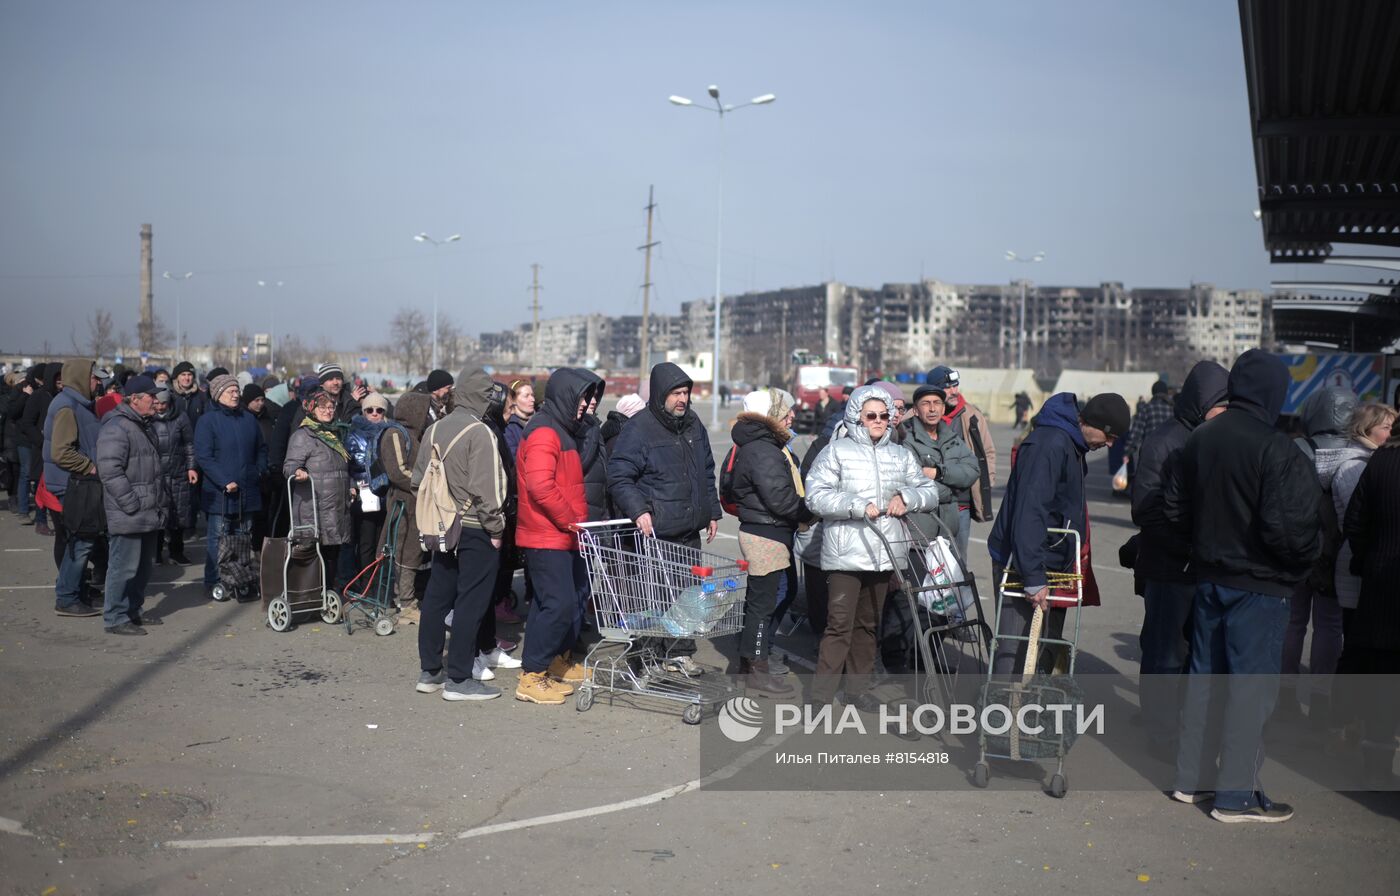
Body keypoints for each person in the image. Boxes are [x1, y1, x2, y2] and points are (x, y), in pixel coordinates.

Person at [1165, 349, 1321, 822]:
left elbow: (1175, 510)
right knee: (1250, 693)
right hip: (1260, 586)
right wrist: (1302, 563)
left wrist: (1203, 546)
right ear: (1275, 392)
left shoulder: (1201, 438)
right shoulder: (1278, 448)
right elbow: (1289, 531)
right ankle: (1236, 796)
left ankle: (1191, 780)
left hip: (1211, 578)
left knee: (1204, 685)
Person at [805, 384, 942, 708]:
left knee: (868, 626)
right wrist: (855, 505)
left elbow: (930, 491)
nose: (879, 421)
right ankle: (820, 697)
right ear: (857, 417)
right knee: (839, 625)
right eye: (871, 416)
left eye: (884, 415)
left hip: (884, 554)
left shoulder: (900, 454)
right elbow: (815, 495)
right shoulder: (837, 451)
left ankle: (857, 690)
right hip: (845, 554)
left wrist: (906, 497)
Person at [987, 391, 1129, 676]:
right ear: (1092, 423)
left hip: (1049, 560)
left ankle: (1029, 700)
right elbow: (1030, 511)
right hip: (1023, 562)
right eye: (1109, 436)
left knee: (1040, 649)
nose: (1110, 444)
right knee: (1016, 651)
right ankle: (1002, 702)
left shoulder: (1071, 443)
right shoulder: (1050, 444)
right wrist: (1033, 577)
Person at [1130, 360, 1229, 760]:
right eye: (1221, 405)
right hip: (1168, 569)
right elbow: (1145, 509)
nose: (1226, 413)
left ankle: (1179, 726)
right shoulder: (1164, 442)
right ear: (1202, 403)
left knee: (1193, 656)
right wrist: (1188, 548)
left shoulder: (1215, 438)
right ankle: (1161, 734)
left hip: (1200, 568)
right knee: (1164, 655)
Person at [607, 362, 723, 674]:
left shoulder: (693, 424)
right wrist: (639, 510)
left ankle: (680, 653)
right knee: (654, 598)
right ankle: (646, 656)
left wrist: (711, 511)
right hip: (657, 531)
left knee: (688, 597)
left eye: (685, 393)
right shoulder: (639, 428)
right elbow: (619, 475)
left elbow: (706, 471)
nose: (682, 399)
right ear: (661, 395)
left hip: (689, 529)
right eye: (676, 393)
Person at [411, 367, 508, 702]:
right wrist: (496, 528)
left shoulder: (434, 428)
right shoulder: (480, 432)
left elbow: (418, 481)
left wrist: (443, 508)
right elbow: (487, 489)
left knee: (437, 596)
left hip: (442, 525)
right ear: (482, 397)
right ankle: (460, 678)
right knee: (471, 602)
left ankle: (430, 672)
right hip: (475, 527)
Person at [880, 382, 981, 673]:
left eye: (937, 403)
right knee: (907, 599)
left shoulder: (951, 438)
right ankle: (894, 659)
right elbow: (909, 483)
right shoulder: (906, 439)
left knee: (942, 600)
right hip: (915, 534)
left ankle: (925, 659)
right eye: (926, 403)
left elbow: (971, 471)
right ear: (916, 409)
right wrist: (951, 488)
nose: (933, 408)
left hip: (944, 535)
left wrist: (938, 472)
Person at [721, 388, 811, 697]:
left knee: (769, 600)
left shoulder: (762, 445)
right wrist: (810, 512)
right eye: (786, 411)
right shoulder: (763, 449)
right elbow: (780, 498)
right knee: (763, 606)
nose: (792, 416)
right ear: (772, 415)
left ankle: (749, 667)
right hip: (766, 534)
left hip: (767, 531)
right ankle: (756, 672)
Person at [514, 368, 595, 705]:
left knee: (557, 602)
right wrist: (571, 520)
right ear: (565, 396)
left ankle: (554, 662)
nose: (585, 405)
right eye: (581, 398)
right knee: (558, 605)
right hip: (547, 534)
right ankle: (532, 675)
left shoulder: (560, 429)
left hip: (561, 534)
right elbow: (540, 486)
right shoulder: (545, 431)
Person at [1280, 385, 1357, 724]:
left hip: (1296, 550)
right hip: (1336, 556)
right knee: (1329, 627)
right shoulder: (1357, 455)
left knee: (1293, 622)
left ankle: (1285, 695)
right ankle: (1321, 701)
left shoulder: (1294, 448)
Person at [1327, 402, 1396, 750]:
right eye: (1385, 426)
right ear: (1366, 429)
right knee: (1359, 650)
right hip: (1362, 569)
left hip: (1369, 568)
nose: (1390, 431)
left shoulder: (1376, 461)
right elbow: (1356, 521)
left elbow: (1358, 520)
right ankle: (1347, 722)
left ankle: (1362, 727)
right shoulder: (1358, 464)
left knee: (1365, 651)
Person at [1340, 422, 1400, 787]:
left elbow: (1355, 521)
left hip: (1380, 586)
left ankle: (1376, 766)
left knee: (1382, 685)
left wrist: (1367, 560)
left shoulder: (1380, 461)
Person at [95, 375, 169, 635]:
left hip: (147, 510)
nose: (156, 400)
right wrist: (131, 503)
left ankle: (133, 610)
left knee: (143, 567)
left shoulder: (143, 425)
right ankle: (115, 617)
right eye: (151, 396)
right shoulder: (117, 427)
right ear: (134, 399)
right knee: (123, 567)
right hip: (130, 512)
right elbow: (109, 471)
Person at [195, 373, 267, 600]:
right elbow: (204, 457)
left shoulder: (248, 419)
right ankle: (214, 580)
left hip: (247, 490)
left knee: (244, 537)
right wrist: (224, 481)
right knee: (219, 538)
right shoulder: (208, 421)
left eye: (237, 391)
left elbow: (261, 448)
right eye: (230, 391)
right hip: (220, 494)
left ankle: (240, 579)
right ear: (218, 395)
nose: (236, 395)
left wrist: (259, 470)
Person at [45, 358, 105, 617]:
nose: (98, 382)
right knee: (80, 542)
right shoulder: (67, 406)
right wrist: (90, 467)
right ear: (81, 377)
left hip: (77, 483)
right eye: (94, 377)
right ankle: (67, 597)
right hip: (73, 484)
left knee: (80, 541)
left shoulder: (76, 403)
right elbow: (61, 452)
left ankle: (74, 592)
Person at [284, 386, 353, 589]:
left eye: (330, 407)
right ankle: (314, 594)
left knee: (332, 554)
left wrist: (351, 486)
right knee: (317, 554)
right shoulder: (303, 435)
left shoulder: (335, 434)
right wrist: (298, 471)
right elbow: (288, 466)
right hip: (314, 507)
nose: (327, 411)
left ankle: (328, 592)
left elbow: (343, 468)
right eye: (322, 407)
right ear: (312, 409)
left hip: (336, 506)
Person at [927, 365, 997, 551]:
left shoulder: (972, 415)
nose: (954, 391)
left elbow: (988, 452)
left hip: (961, 505)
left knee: (958, 560)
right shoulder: (915, 416)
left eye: (955, 385)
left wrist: (985, 482)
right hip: (928, 505)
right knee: (926, 560)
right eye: (947, 387)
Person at [378, 390, 433, 625]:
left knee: (413, 552)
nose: (427, 415)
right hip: (404, 504)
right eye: (424, 411)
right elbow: (398, 472)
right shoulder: (395, 433)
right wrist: (426, 484)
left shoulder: (416, 435)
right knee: (404, 552)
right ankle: (406, 603)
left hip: (417, 503)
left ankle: (407, 599)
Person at [346, 392, 397, 573]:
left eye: (379, 410)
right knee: (366, 542)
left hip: (386, 495)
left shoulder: (392, 432)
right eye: (370, 410)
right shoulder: (354, 434)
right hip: (365, 495)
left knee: (383, 542)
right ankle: (367, 580)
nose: (374, 414)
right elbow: (350, 465)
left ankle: (381, 580)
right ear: (364, 412)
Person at [151, 388, 197, 565]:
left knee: (179, 515)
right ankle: (155, 552)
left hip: (178, 473)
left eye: (163, 403)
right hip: (156, 475)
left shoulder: (181, 418)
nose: (160, 407)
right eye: (156, 403)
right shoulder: (147, 419)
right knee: (157, 515)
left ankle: (176, 552)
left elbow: (189, 444)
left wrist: (191, 467)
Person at [22, 362, 62, 535]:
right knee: (41, 487)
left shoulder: (64, 396)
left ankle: (60, 521)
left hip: (61, 449)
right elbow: (27, 423)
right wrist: (41, 442)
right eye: (57, 378)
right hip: (42, 450)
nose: (61, 381)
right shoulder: (38, 396)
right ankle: (41, 520)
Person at [577, 372, 611, 521]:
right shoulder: (575, 430)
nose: (593, 401)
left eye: (596, 396)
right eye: (588, 396)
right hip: (582, 513)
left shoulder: (594, 427)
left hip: (597, 510)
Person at [1124, 381, 1175, 478]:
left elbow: (1135, 434)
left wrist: (1127, 453)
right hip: (1170, 455)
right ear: (1166, 393)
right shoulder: (1174, 410)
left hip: (1149, 456)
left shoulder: (1146, 408)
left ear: (1153, 393)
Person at [503, 379, 535, 458]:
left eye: (532, 395)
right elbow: (513, 457)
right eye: (526, 396)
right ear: (513, 400)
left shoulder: (541, 421)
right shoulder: (508, 426)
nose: (532, 399)